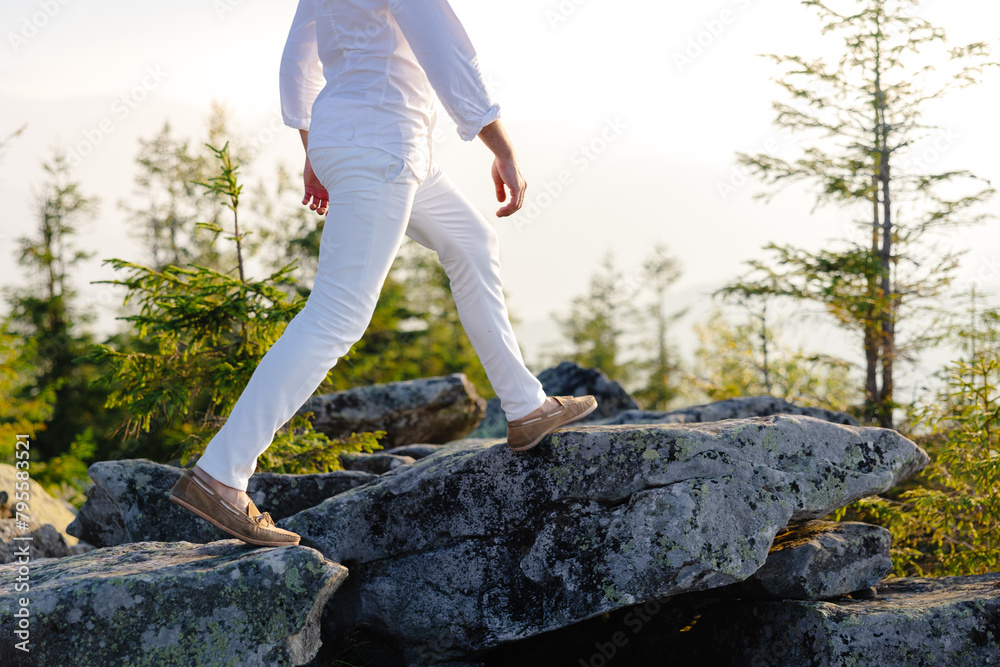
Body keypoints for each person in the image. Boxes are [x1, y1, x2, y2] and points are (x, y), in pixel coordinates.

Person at [169, 0, 598, 547]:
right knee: (336, 315)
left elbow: (295, 60)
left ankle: (525, 406)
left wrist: (315, 145)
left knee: (471, 240)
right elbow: (445, 50)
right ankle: (221, 476)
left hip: (372, 140)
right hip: (382, 142)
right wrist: (502, 147)